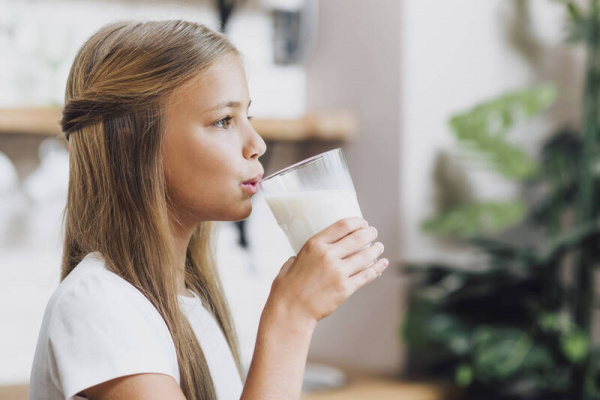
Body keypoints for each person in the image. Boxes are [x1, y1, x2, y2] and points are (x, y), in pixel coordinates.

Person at [28, 20, 389, 400]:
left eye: (247, 116)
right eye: (223, 121)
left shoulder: (186, 304)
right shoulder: (97, 303)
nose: (257, 144)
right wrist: (291, 317)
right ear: (129, 144)